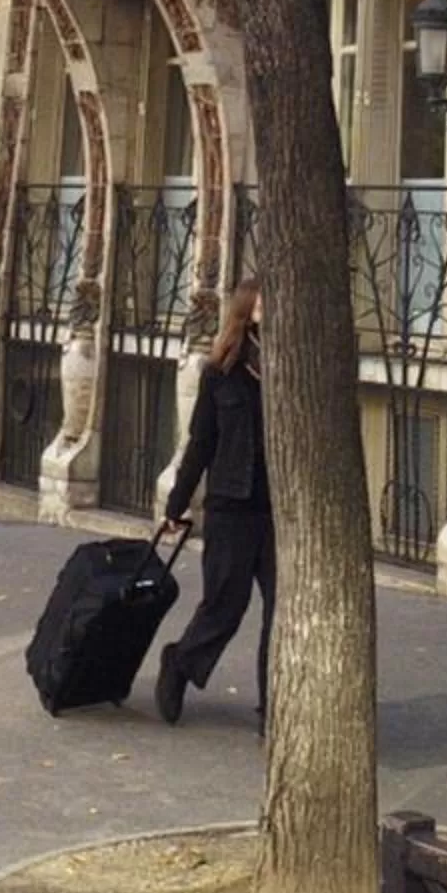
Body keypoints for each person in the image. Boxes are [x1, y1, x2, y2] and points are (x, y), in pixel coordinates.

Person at [155, 278, 273, 733]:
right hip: (231, 505)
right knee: (225, 606)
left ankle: (274, 709)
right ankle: (180, 662)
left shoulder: (289, 369)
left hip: (278, 510)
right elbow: (200, 442)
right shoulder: (221, 372)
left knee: (281, 610)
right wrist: (177, 503)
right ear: (246, 310)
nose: (268, 308)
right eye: (261, 302)